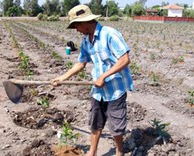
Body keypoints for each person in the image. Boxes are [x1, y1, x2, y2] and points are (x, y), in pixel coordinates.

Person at [51, 4, 133, 156]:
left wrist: (103, 76)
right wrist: (62, 78)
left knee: (116, 125)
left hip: (115, 89)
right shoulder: (86, 42)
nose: (76, 29)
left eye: (76, 25)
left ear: (84, 23)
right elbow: (81, 63)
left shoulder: (109, 34)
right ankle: (92, 152)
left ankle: (119, 152)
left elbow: (125, 59)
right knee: (95, 121)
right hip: (98, 90)